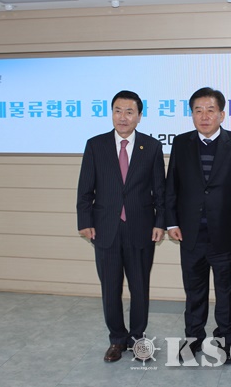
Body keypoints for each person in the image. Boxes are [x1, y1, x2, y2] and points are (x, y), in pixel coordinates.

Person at [166, 87, 231, 363]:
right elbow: (172, 186)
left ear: (222, 114)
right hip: (191, 233)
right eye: (198, 110)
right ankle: (193, 339)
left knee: (227, 292)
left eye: (210, 110)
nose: (204, 116)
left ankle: (226, 341)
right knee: (194, 291)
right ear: (192, 114)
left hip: (227, 233)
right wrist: (171, 222)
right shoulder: (181, 143)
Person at [76, 90, 166, 363]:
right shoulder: (96, 145)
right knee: (110, 288)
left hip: (141, 228)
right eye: (118, 111)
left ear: (139, 116)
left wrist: (160, 222)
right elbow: (85, 189)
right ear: (112, 114)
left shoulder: (151, 147)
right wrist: (85, 222)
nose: (123, 117)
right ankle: (117, 339)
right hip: (105, 229)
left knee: (140, 287)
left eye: (129, 112)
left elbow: (160, 191)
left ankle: (137, 338)